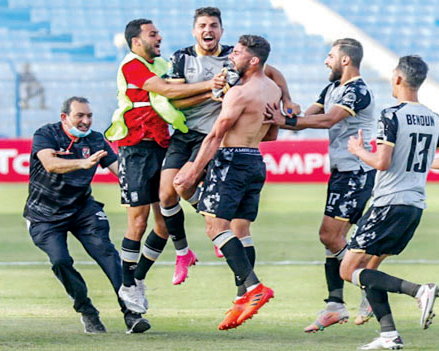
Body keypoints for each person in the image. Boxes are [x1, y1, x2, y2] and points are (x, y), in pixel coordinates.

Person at [160, 6, 300, 286]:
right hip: (187, 132)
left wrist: (287, 99)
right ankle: (186, 250)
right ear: (194, 30)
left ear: (221, 31)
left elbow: (271, 71)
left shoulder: (234, 58)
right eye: (202, 25)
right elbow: (173, 98)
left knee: (230, 222)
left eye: (213, 25)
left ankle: (245, 287)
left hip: (217, 137)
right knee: (168, 194)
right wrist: (208, 89)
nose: (208, 30)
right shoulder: (181, 58)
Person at [109, 18, 225, 329]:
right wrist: (212, 86)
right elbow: (165, 90)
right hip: (134, 148)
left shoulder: (162, 62)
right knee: (138, 220)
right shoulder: (132, 65)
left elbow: (178, 92)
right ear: (136, 41)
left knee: (162, 224)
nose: (159, 37)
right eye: (152, 34)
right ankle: (128, 286)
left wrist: (208, 95)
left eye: (158, 32)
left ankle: (136, 279)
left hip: (161, 143)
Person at [341, 55, 439, 350]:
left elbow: (382, 162)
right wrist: (414, 165)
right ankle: (388, 334)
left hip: (388, 203)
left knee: (347, 270)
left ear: (397, 79)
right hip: (414, 204)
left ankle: (419, 290)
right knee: (370, 268)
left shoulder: (391, 114)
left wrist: (357, 150)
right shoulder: (434, 117)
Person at [265, 38, 379, 333]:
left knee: (329, 235)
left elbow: (328, 120)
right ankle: (335, 305)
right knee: (334, 238)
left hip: (356, 173)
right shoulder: (332, 88)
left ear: (345, 60)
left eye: (330, 56)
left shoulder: (358, 91)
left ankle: (369, 287)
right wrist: (284, 113)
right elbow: (309, 115)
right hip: (342, 172)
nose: (325, 61)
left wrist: (287, 122)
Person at [174, 34, 280, 331]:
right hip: (254, 159)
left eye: (238, 53)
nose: (231, 57)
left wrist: (195, 170)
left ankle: (254, 287)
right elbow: (272, 135)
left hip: (230, 161)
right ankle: (242, 296)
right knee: (241, 230)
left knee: (215, 227)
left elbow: (215, 135)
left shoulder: (240, 92)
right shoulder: (271, 89)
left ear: (253, 60)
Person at [23, 96, 146, 334]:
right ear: (64, 118)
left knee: (108, 255)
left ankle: (132, 313)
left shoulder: (96, 139)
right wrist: (83, 163)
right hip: (44, 215)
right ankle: (87, 310)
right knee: (61, 261)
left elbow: (118, 170)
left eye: (89, 116)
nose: (86, 121)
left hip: (83, 209)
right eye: (80, 116)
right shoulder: (46, 134)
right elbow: (50, 164)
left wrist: (144, 187)